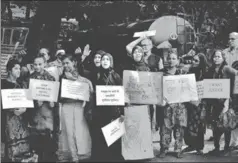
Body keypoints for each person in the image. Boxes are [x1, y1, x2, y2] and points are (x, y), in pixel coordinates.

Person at [56, 54, 93, 162]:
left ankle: (81, 153)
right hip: (66, 106)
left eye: (67, 63)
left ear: (74, 63)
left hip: (79, 107)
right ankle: (73, 156)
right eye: (63, 63)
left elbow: (88, 91)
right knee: (68, 131)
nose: (65, 65)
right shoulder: (62, 77)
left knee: (79, 131)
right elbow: (59, 95)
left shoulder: (82, 75)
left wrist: (87, 89)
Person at [1, 59, 37, 162]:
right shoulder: (2, 83)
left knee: (24, 151)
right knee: (10, 151)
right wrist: (12, 110)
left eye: (19, 68)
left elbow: (30, 102)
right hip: (8, 121)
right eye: (15, 68)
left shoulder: (23, 84)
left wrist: (25, 109)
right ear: (9, 70)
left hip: (22, 121)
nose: (18, 71)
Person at [91, 53, 125, 162]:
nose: (105, 61)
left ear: (111, 62)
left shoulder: (116, 75)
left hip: (113, 110)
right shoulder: (96, 74)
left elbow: (121, 93)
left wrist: (122, 111)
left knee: (113, 135)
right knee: (100, 135)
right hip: (100, 110)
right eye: (103, 59)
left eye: (107, 59)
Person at [205, 49, 238, 156]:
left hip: (225, 101)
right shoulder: (211, 69)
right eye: (214, 56)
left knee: (226, 124)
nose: (216, 59)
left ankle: (227, 148)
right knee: (215, 124)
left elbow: (236, 75)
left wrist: (231, 93)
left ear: (223, 58)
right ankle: (216, 148)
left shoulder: (226, 68)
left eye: (219, 56)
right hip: (214, 101)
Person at [26, 53, 57, 162]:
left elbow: (54, 98)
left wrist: (52, 103)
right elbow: (26, 98)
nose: (37, 67)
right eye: (35, 64)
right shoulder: (29, 78)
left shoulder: (51, 78)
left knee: (48, 141)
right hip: (35, 114)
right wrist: (35, 103)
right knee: (36, 141)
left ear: (45, 64)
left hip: (48, 114)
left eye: (40, 64)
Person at [157, 51, 187, 158]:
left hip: (180, 106)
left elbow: (187, 89)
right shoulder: (161, 73)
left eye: (174, 58)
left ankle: (178, 149)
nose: (171, 60)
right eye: (169, 58)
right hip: (166, 106)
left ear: (178, 61)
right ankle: (164, 149)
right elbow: (157, 89)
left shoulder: (182, 73)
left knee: (179, 128)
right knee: (165, 128)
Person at [183, 53, 209, 155]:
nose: (193, 62)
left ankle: (199, 147)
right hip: (189, 102)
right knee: (189, 123)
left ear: (201, 62)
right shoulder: (189, 71)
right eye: (193, 60)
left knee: (199, 124)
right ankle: (190, 145)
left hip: (201, 103)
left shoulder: (206, 73)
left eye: (196, 61)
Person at [223, 32, 238, 151]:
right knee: (230, 113)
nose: (230, 41)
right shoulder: (224, 53)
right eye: (229, 39)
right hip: (226, 86)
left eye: (233, 39)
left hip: (237, 86)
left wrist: (231, 70)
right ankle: (232, 142)